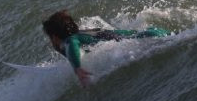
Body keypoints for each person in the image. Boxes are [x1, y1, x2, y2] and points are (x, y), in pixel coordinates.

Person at [42, 10, 170, 87]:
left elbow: (71, 45)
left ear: (54, 36)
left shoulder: (70, 40)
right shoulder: (85, 33)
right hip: (151, 32)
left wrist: (78, 69)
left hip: (147, 40)